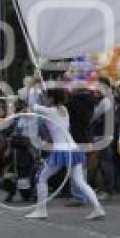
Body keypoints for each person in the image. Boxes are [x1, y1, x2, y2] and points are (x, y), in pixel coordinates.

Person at [25, 88, 105, 220]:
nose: (44, 98)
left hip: (62, 149)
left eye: (46, 97)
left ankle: (41, 210)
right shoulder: (64, 110)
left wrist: (33, 86)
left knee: (41, 177)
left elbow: (32, 104)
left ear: (51, 99)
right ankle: (97, 208)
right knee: (80, 181)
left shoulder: (50, 111)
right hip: (72, 147)